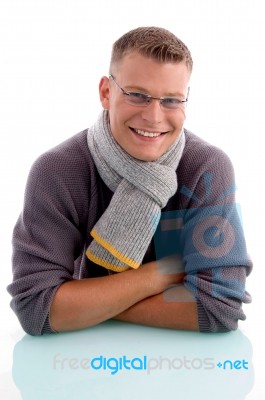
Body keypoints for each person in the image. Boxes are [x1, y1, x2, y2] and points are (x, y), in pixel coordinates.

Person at [7, 26, 252, 336]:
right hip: (81, 365)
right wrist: (157, 276)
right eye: (138, 95)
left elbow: (220, 308)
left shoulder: (207, 168)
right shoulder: (57, 171)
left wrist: (85, 303)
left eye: (171, 100)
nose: (154, 116)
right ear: (106, 93)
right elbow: (36, 308)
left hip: (184, 370)